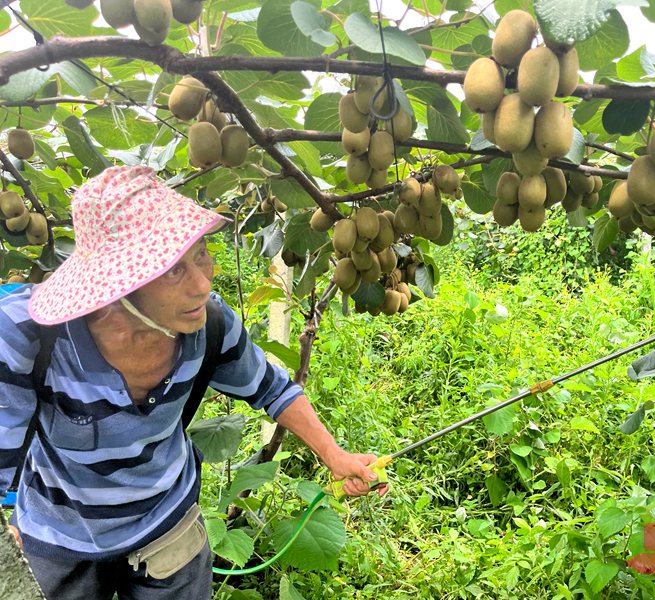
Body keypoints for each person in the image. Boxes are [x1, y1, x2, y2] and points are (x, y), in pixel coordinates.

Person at [0, 166, 385, 599]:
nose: (203, 283)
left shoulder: (209, 325)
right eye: (173, 270)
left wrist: (334, 455)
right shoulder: (30, 336)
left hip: (168, 526)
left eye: (200, 253)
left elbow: (272, 389)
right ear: (118, 288)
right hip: (58, 536)